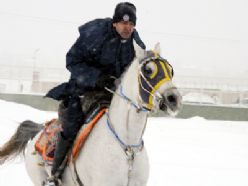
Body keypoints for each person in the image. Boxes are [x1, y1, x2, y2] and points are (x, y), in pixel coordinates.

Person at [44, 2, 146, 186]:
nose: (128, 28)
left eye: (131, 24)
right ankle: (55, 175)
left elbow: (139, 69)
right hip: (83, 90)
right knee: (71, 125)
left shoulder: (135, 42)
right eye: (124, 23)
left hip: (114, 94)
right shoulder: (95, 33)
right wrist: (97, 78)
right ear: (115, 22)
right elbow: (72, 61)